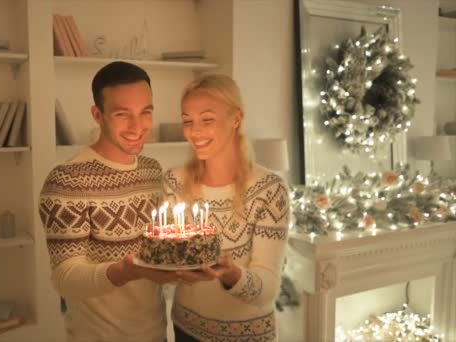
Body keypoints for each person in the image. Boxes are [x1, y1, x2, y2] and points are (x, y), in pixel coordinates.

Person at [39, 61, 178, 342]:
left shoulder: (152, 171)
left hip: (157, 333)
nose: (138, 126)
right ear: (97, 114)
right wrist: (125, 272)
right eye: (122, 114)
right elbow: (64, 278)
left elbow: (159, 249)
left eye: (145, 112)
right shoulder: (68, 180)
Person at [162, 74, 289, 341]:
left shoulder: (269, 190)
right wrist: (171, 269)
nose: (194, 132)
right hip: (187, 331)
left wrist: (232, 275)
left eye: (207, 119)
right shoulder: (174, 183)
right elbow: (169, 267)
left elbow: (268, 288)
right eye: (187, 121)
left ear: (236, 118)